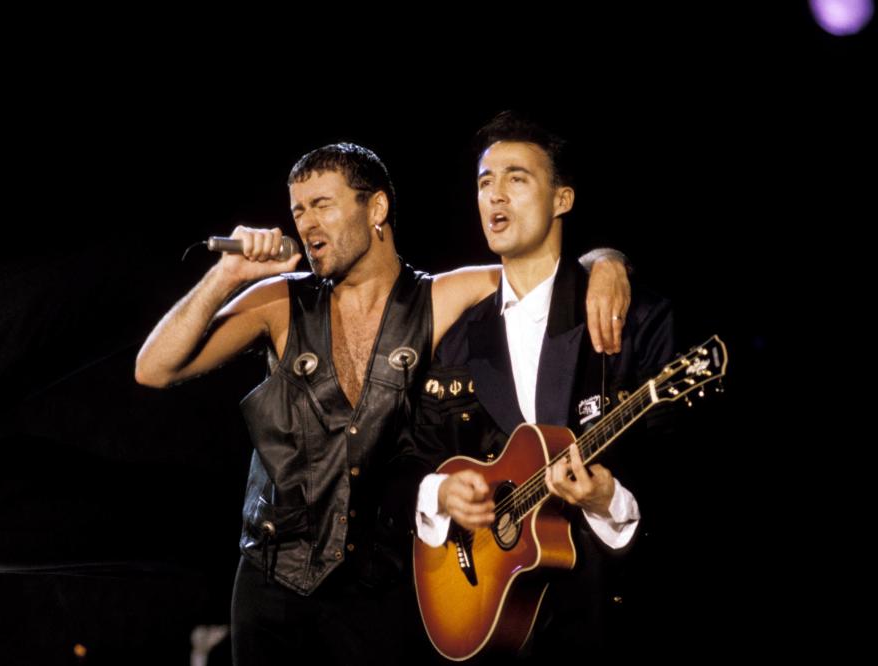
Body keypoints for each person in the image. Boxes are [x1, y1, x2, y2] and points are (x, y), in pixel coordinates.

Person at [134, 141, 632, 664]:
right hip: (272, 582)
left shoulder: (440, 296)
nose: (306, 223)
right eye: (298, 209)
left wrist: (607, 263)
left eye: (323, 204)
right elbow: (153, 368)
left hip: (382, 587)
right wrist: (226, 277)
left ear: (376, 209)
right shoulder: (281, 301)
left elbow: (546, 274)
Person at [412, 111, 676, 660]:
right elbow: (418, 452)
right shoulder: (460, 338)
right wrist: (442, 494)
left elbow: (678, 463)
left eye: (517, 178)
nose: (495, 196)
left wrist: (610, 500)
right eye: (485, 182)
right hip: (496, 618)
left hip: (608, 615)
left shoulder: (634, 318)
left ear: (563, 200)